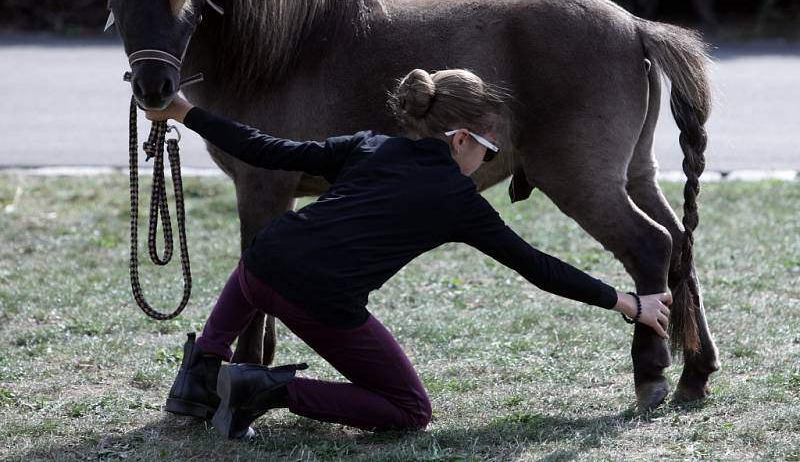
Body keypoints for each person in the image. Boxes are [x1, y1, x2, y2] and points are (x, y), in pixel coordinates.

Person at [148, 68, 672, 440]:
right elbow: (534, 265)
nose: (490, 162)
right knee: (408, 409)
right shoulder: (457, 201)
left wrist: (185, 111)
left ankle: (202, 370)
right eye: (491, 151)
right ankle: (259, 389)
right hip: (319, 299)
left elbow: (266, 149)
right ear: (461, 138)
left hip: (262, 264)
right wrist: (626, 302)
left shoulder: (369, 145)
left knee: (272, 252)